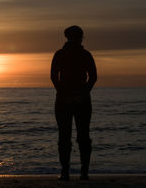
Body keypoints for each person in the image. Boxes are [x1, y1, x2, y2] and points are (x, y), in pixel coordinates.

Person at [50, 25, 97, 181]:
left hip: (65, 100)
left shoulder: (60, 54)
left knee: (65, 137)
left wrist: (64, 94)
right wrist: (82, 94)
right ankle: (83, 173)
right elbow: (93, 77)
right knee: (83, 136)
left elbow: (53, 77)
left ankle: (65, 172)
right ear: (81, 37)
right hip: (79, 100)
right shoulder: (85, 54)